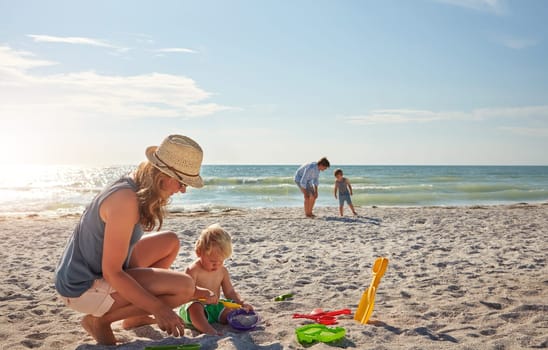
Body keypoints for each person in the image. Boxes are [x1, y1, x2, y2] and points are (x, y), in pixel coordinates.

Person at [54, 134, 216, 345]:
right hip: (82, 287)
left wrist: (191, 293)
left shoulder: (135, 183)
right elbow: (113, 273)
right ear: (164, 175)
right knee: (184, 287)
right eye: (182, 182)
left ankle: (133, 316)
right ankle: (99, 321)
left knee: (170, 242)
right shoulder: (125, 200)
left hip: (96, 271)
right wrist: (158, 308)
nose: (183, 190)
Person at [179, 223, 253, 335]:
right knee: (195, 307)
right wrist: (201, 295)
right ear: (199, 252)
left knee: (230, 310)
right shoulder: (192, 270)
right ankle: (208, 330)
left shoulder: (222, 271)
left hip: (214, 306)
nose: (217, 265)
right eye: (213, 261)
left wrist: (241, 302)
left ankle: (230, 318)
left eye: (221, 261)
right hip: (194, 308)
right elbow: (185, 293)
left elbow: (230, 292)